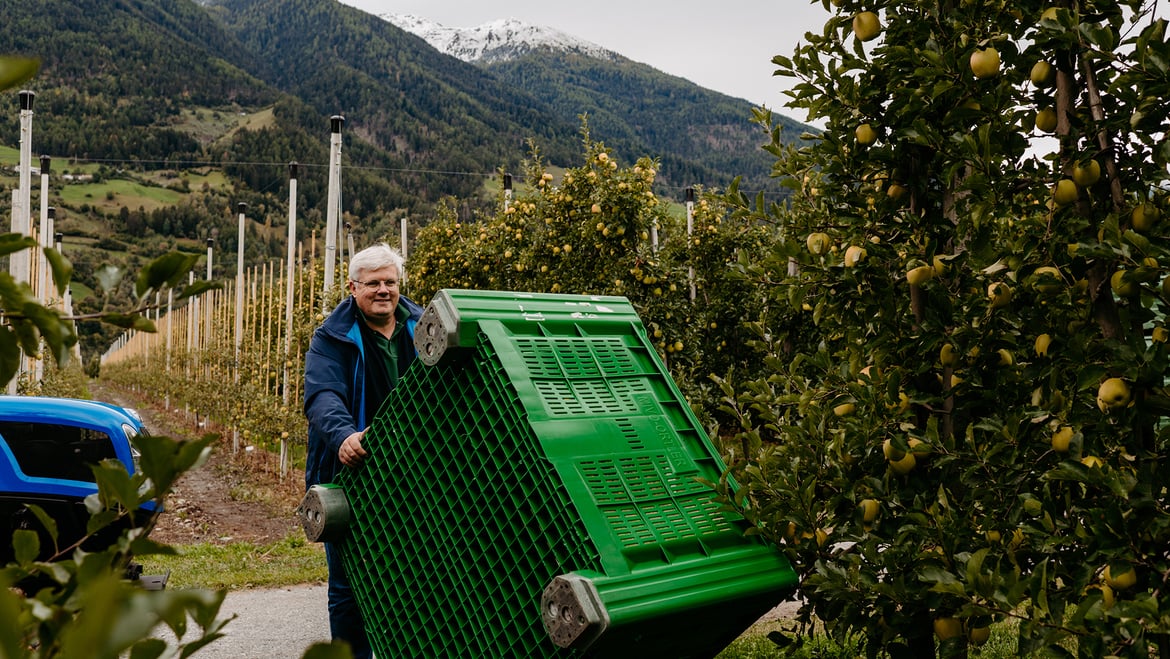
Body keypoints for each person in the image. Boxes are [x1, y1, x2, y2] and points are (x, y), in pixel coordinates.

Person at [303, 243, 423, 658]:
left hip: (417, 475)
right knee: (350, 586)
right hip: (354, 472)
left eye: (390, 282)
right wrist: (343, 437)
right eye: (373, 283)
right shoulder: (332, 338)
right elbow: (322, 396)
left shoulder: (424, 328)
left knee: (419, 577)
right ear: (353, 287)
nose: (384, 290)